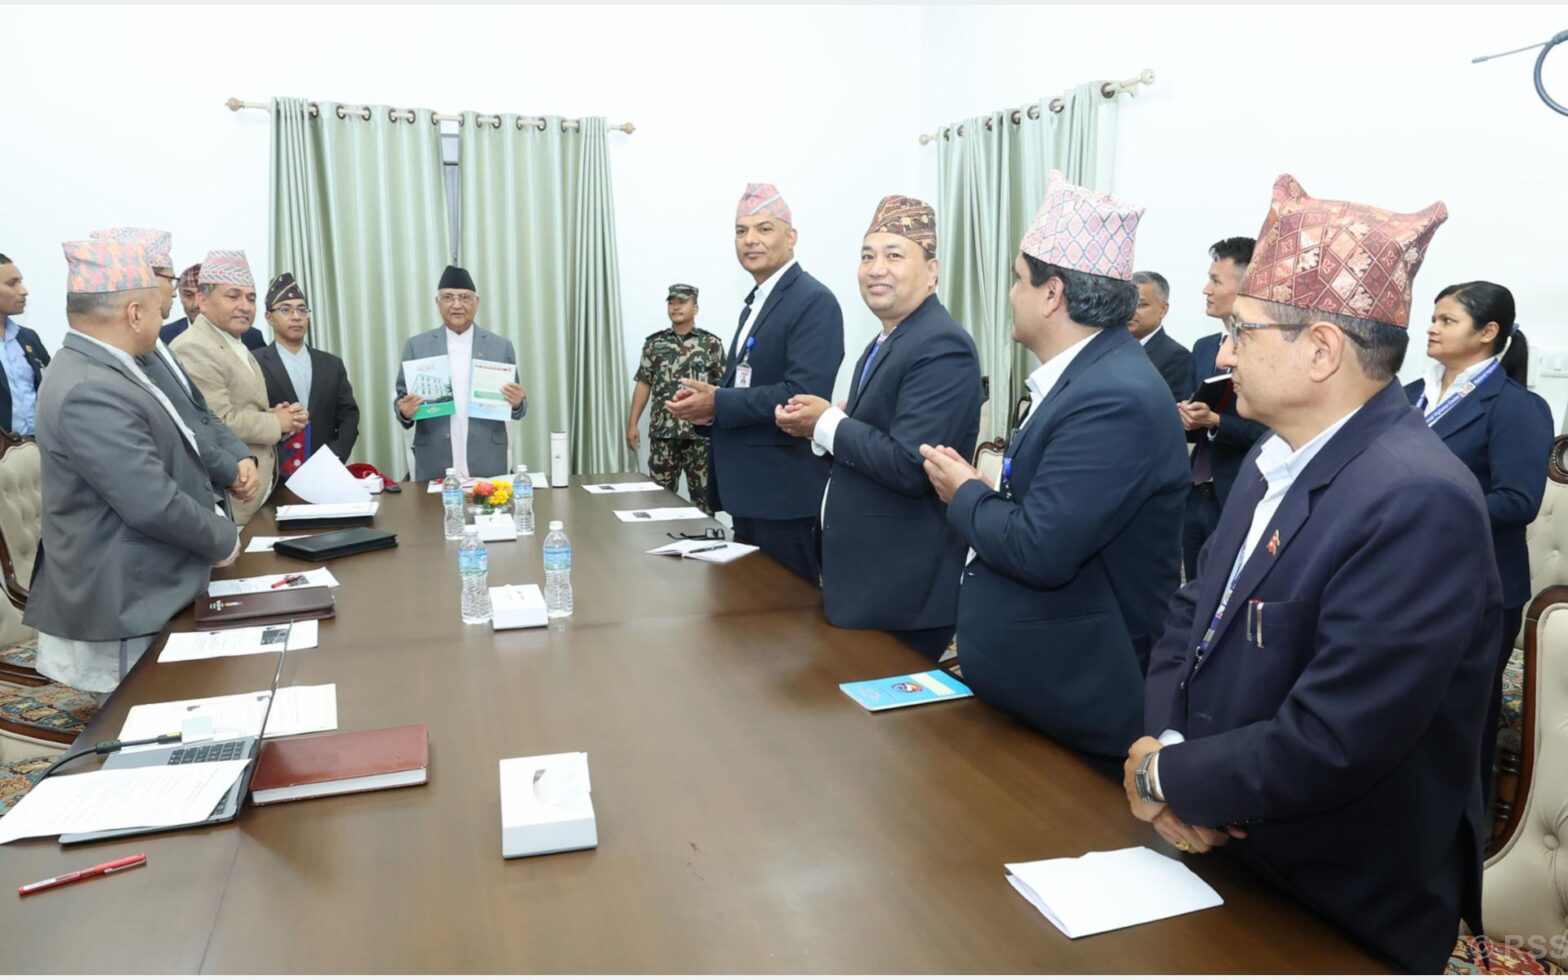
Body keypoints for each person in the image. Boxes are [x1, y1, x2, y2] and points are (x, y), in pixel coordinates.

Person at [1126, 175, 1493, 974]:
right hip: (1223, 847)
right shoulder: (1274, 453)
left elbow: (1334, 740)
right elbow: (1193, 612)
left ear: (1321, 349)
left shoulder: (1417, 498)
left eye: (1241, 330)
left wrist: (1163, 772)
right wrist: (1169, 747)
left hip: (1336, 898)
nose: (1224, 354)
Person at [919, 171, 1188, 755]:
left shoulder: (1113, 397)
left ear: (1052, 293)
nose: (1012, 294)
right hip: (1039, 684)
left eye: (1019, 279)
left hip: (1081, 694)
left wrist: (965, 491)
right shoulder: (1089, 377)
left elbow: (1040, 547)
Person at [25, 240, 238, 698]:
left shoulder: (106, 367)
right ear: (135, 313)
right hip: (127, 600)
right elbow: (152, 503)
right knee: (144, 726)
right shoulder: (90, 388)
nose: (163, 321)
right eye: (159, 310)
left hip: (146, 585)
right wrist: (224, 537)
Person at [775, 195, 981, 658]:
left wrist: (827, 423)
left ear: (932, 271)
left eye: (894, 256)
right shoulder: (885, 341)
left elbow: (910, 465)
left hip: (902, 589)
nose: (876, 269)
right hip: (868, 579)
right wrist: (826, 426)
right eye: (867, 256)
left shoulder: (941, 344)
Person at [1405, 280, 1553, 807]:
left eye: (1447, 320)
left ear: (1488, 332)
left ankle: (1460, 839)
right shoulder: (1410, 394)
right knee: (1402, 714)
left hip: (1475, 589)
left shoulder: (1515, 407)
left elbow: (1517, 501)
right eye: (1433, 317)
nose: (1432, 328)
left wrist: (1421, 511)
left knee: (1460, 725)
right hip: (1404, 578)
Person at [665, 183, 844, 583]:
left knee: (785, 611)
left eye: (764, 229)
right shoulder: (758, 302)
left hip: (783, 495)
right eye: (741, 230)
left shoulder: (813, 301)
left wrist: (719, 402)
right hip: (751, 493)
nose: (750, 240)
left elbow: (802, 396)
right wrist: (708, 409)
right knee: (748, 609)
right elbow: (749, 386)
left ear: (791, 237)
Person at [90, 228, 260, 517]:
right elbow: (176, 431)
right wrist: (231, 469)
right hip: (181, 506)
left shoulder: (158, 344)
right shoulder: (128, 356)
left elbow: (202, 413)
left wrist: (241, 455)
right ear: (142, 280)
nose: (174, 291)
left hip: (210, 497)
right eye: (170, 279)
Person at [172, 250, 305, 524]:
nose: (244, 306)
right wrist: (276, 422)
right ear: (202, 301)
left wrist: (276, 415)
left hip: (253, 495)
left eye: (251, 298)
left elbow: (240, 404)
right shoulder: (194, 346)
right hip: (230, 496)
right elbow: (215, 421)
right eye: (233, 297)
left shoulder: (234, 341)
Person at [1177, 237, 1269, 578]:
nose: (1206, 289)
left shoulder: (1266, 354)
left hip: (1237, 492)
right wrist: (1186, 418)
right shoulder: (1203, 348)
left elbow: (1271, 430)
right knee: (1193, 586)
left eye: (1216, 281)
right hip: (1195, 491)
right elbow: (1192, 414)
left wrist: (1217, 422)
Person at [394, 265, 527, 482]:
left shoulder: (500, 347)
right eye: (448, 297)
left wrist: (517, 403)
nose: (457, 305)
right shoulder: (417, 346)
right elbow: (401, 401)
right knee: (432, 506)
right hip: (434, 457)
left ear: (477, 303)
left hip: (487, 458)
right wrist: (405, 412)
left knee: (488, 505)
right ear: (437, 303)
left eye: (465, 298)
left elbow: (518, 409)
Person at [627, 284, 725, 512]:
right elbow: (643, 383)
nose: (676, 307)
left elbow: (723, 388)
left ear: (695, 307)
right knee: (658, 499)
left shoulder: (711, 344)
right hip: (664, 434)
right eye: (672, 302)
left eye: (682, 302)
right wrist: (632, 423)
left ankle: (705, 535)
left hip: (700, 435)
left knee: (704, 500)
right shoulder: (654, 344)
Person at [254, 273, 361, 474]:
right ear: (269, 317)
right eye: (286, 309)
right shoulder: (254, 363)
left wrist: (334, 458)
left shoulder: (331, 364)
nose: (296, 316)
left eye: (302, 310)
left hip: (326, 469)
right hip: (275, 473)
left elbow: (349, 417)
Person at [161, 261, 266, 350]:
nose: (196, 304)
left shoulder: (252, 337)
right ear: (179, 295)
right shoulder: (164, 335)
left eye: (202, 296)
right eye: (189, 295)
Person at [0, 253, 47, 436]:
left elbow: (48, 389)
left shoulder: (28, 338)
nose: (23, 291)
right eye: (12, 283)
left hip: (38, 447)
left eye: (20, 282)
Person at [1128, 270, 1191, 401]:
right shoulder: (1109, 349)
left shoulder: (1177, 357)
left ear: (1163, 310)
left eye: (1140, 305)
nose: (1130, 311)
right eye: (1126, 303)